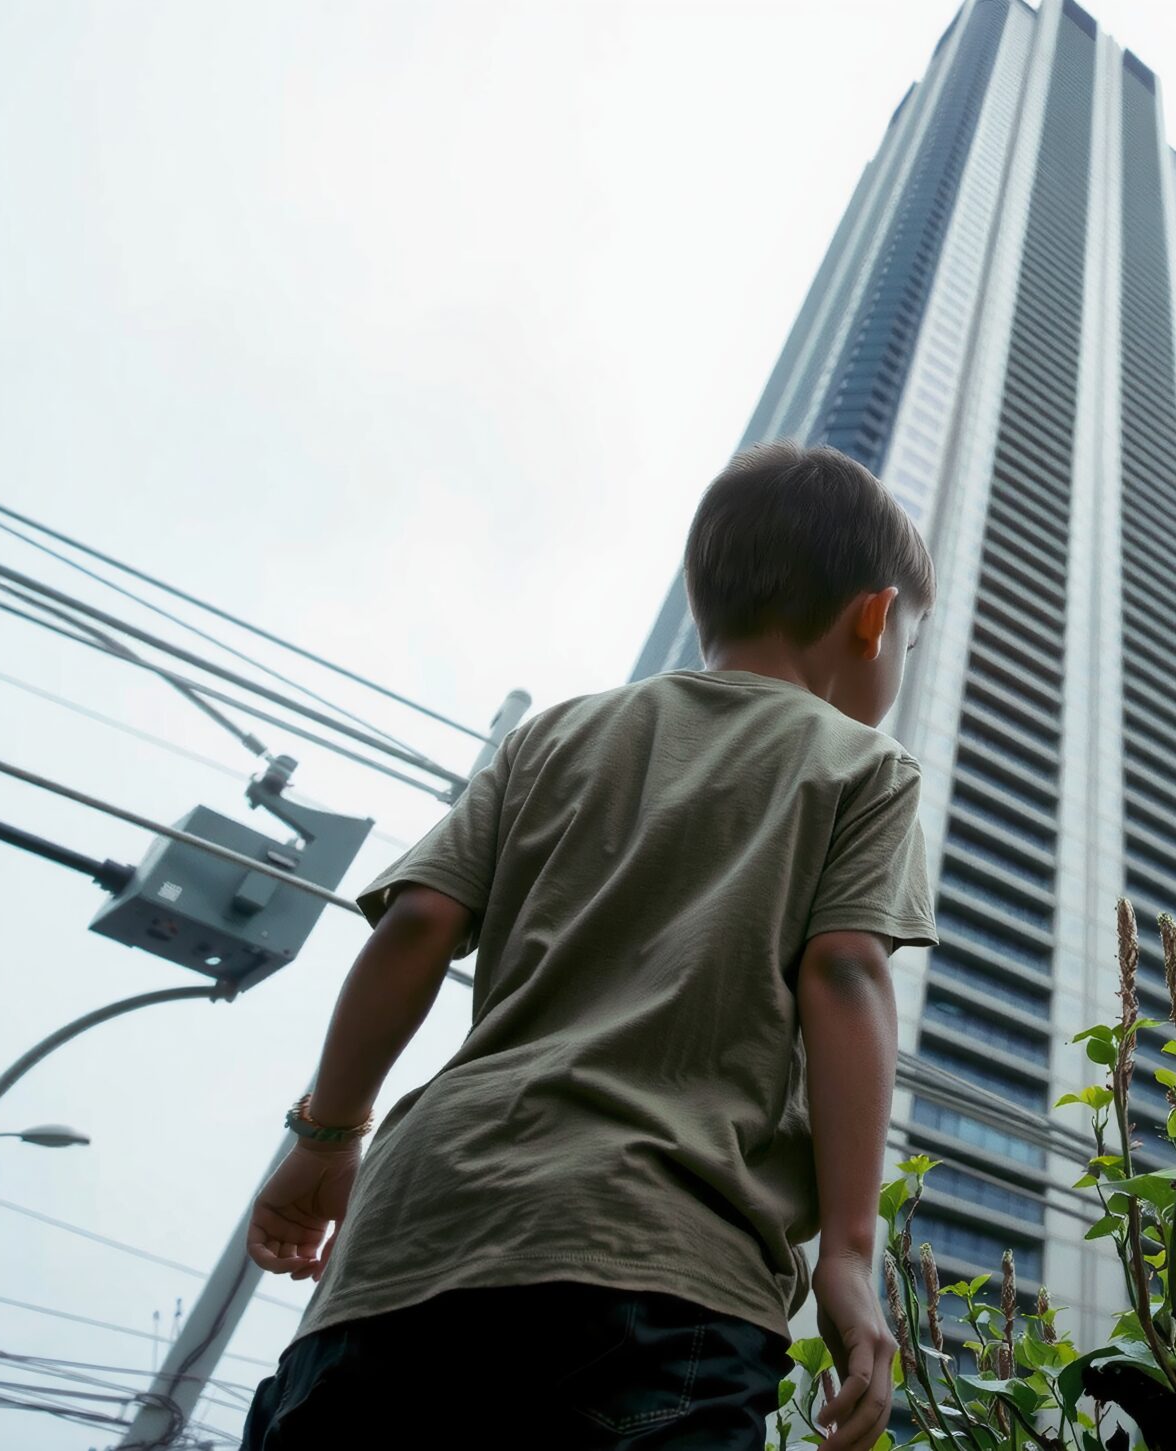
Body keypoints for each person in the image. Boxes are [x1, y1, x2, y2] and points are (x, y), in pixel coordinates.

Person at [239, 443, 937, 1450]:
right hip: (657, 1263)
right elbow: (844, 971)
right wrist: (848, 1254)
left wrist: (325, 1135)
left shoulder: (551, 736)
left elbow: (418, 923)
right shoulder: (864, 766)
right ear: (874, 617)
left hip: (406, 1248)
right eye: (908, 640)